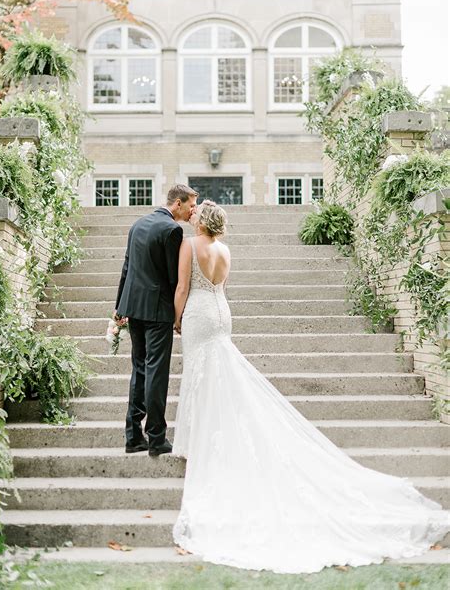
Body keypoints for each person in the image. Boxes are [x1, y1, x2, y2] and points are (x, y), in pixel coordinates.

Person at [172, 199, 449, 574]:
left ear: (200, 221)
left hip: (199, 314)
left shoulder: (190, 245)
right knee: (220, 370)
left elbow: (183, 286)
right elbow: (221, 286)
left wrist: (175, 319)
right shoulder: (225, 249)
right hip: (222, 313)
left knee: (201, 371)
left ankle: (200, 437)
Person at [114, 184, 197, 457]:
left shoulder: (138, 224)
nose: (191, 211)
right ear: (177, 204)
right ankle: (157, 437)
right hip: (158, 311)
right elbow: (175, 279)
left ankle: (133, 436)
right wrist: (178, 315)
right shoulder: (173, 230)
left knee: (139, 369)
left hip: (133, 307)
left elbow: (127, 266)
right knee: (156, 373)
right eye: (190, 206)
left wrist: (119, 307)